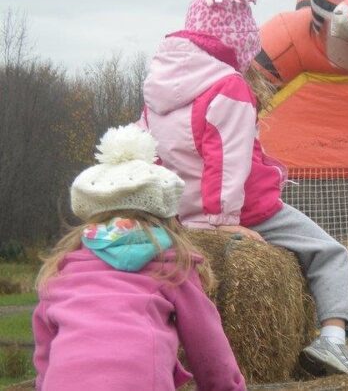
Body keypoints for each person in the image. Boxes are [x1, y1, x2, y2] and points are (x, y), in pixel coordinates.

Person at [138, 0, 348, 375]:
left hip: (177, 216)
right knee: (331, 254)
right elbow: (228, 161)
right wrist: (221, 223)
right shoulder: (229, 86)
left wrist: (164, 216)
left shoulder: (156, 90)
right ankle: (333, 341)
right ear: (238, 42)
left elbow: (149, 153)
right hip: (244, 211)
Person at [32, 124, 246, 391]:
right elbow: (209, 349)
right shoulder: (170, 265)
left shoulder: (64, 270)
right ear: (167, 215)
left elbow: (45, 356)